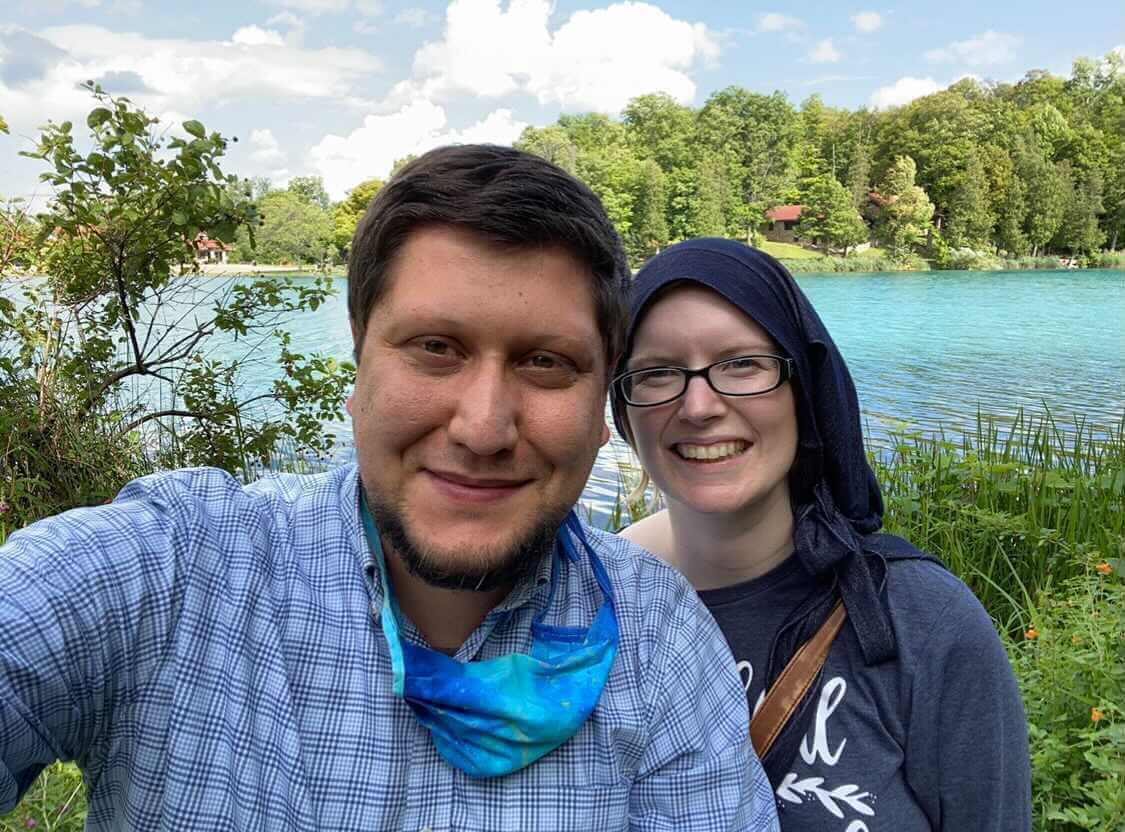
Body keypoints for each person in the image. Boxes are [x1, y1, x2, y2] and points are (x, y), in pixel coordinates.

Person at [0, 149, 779, 831]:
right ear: (359, 369)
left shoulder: (658, 638)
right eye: (434, 348)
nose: (482, 427)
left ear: (599, 407)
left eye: (545, 362)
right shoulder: (174, 569)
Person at [611, 238, 1031, 831]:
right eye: (657, 372)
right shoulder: (589, 611)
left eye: (742, 364)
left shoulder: (920, 623)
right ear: (623, 410)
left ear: (802, 390)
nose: (700, 406)